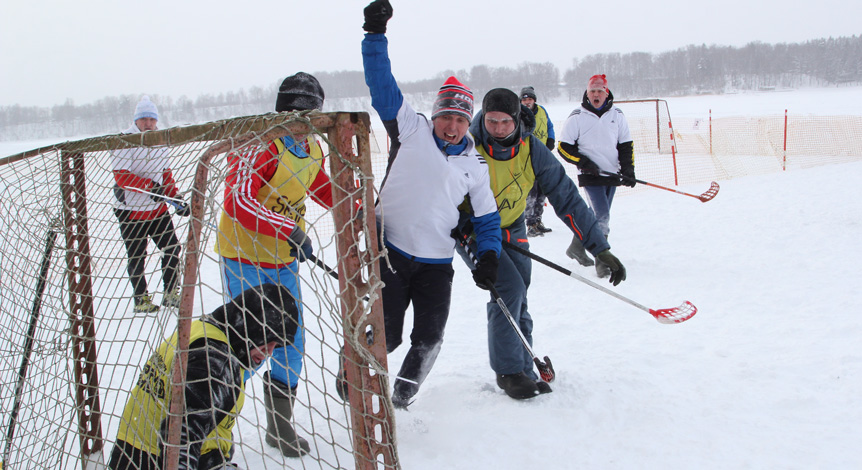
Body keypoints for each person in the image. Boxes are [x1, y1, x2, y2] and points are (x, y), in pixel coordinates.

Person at [359, 0, 502, 409]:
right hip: (392, 251)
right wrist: (375, 35)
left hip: (437, 263)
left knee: (430, 337)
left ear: (467, 122)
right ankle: (350, 373)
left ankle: (403, 396)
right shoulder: (411, 129)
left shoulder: (475, 164)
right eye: (447, 117)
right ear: (437, 115)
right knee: (386, 332)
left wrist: (488, 257)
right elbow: (381, 83)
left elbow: (488, 219)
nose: (452, 126)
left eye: (460, 120)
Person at [462, 87, 626, 400]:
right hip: (474, 229)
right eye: (491, 122)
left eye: (505, 123)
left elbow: (567, 198)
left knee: (520, 289)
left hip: (512, 225)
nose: (497, 129)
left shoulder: (532, 148)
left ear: (516, 120)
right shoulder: (468, 146)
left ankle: (523, 364)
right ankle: (509, 372)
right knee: (506, 287)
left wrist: (599, 247)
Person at [214, 72, 332, 457]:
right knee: (247, 346)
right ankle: (209, 425)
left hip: (283, 261)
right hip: (244, 259)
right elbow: (238, 200)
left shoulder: (312, 148)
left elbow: (318, 185)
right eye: (297, 113)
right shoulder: (258, 143)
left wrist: (361, 204)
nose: (305, 122)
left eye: (312, 114)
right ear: (282, 112)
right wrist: (289, 229)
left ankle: (279, 429)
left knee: (290, 343)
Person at [108, 283, 300, 470]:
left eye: (276, 344)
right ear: (251, 325)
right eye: (267, 339)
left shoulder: (206, 330)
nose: (269, 351)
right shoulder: (214, 361)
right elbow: (179, 438)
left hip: (132, 453)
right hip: (153, 460)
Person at [112, 96, 190, 313]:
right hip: (130, 211)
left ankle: (170, 292)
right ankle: (141, 299)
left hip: (156, 209)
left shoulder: (160, 139)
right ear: (136, 121)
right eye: (143, 119)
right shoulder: (125, 140)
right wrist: (149, 186)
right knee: (137, 256)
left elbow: (165, 174)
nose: (148, 123)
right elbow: (121, 176)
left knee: (172, 248)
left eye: (151, 119)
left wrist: (176, 198)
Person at [557, 74, 635, 277]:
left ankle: (576, 247)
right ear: (587, 93)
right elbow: (564, 147)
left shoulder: (617, 115)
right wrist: (583, 162)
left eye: (600, 91)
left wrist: (628, 170)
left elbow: (625, 145)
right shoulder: (577, 116)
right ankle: (602, 260)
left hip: (612, 173)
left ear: (606, 92)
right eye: (592, 91)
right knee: (602, 216)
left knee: (594, 217)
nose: (596, 94)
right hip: (590, 175)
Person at [519, 86, 556, 238]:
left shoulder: (542, 111)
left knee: (542, 192)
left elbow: (549, 126)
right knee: (531, 193)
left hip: (543, 156)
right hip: (527, 159)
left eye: (530, 99)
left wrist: (551, 140)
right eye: (525, 99)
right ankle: (530, 223)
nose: (527, 102)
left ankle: (538, 221)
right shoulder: (519, 114)